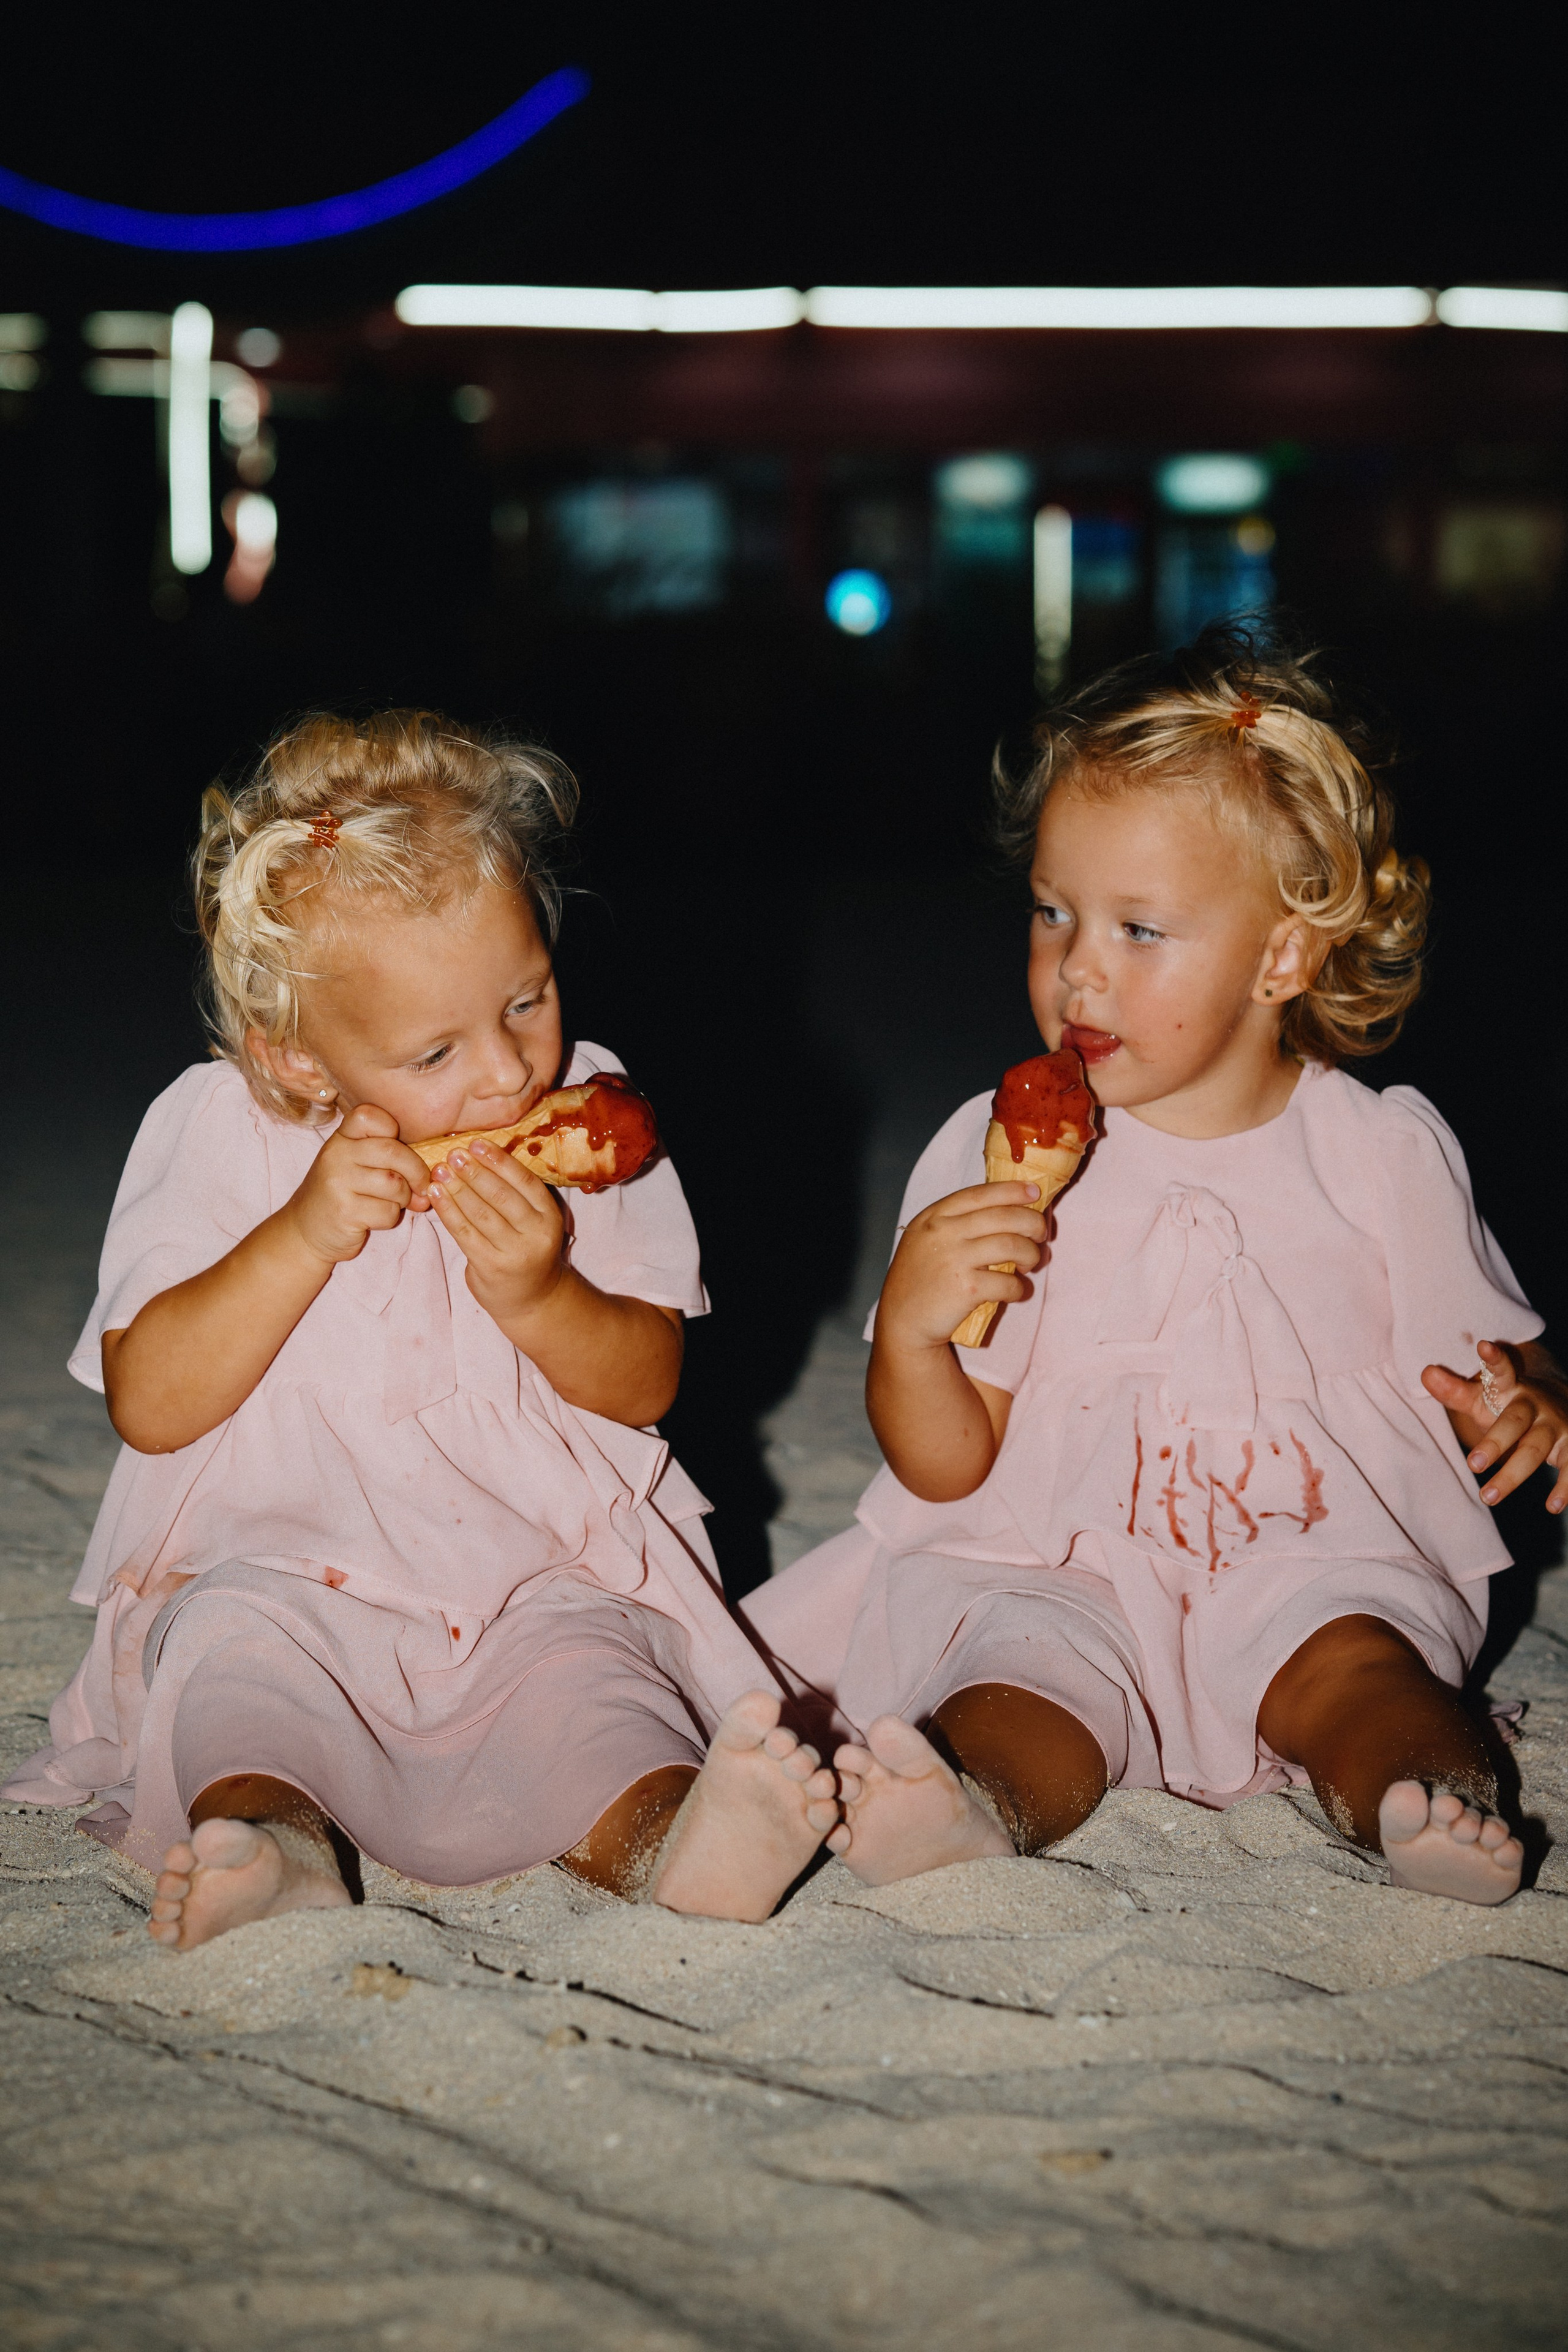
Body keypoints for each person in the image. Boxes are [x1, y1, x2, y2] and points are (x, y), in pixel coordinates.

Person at [747, 632, 1566, 1906]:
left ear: (1282, 958)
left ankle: (1425, 1802)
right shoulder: (992, 1155)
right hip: (1064, 1556)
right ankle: (974, 1806)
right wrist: (912, 1336)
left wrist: (1526, 1398)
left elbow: (1480, 1366)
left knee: (1365, 1668)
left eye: (1138, 928)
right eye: (1051, 911)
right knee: (1026, 1675)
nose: (1077, 966)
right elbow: (947, 1463)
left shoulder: (1379, 1152)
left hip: (1314, 1542)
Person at [5, 712, 837, 1946]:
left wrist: (542, 1295)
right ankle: (274, 1849)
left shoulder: (584, 1116)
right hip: (286, 1567)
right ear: (295, 1060)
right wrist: (298, 1236)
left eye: (525, 998)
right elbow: (152, 1398)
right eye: (437, 1048)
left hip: (525, 1570)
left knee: (596, 1693)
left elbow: (646, 1382)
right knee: (238, 1671)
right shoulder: (223, 1131)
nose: (506, 1073)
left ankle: (675, 1841)